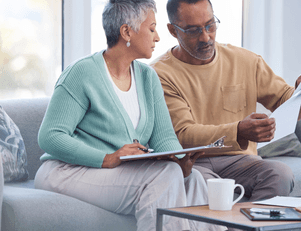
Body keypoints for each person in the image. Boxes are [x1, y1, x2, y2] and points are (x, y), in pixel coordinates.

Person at [34, 1, 225, 230]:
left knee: (192, 179)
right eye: (152, 29)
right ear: (127, 32)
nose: (157, 38)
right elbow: (50, 136)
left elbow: (164, 138)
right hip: (66, 171)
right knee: (164, 176)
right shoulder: (82, 73)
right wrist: (108, 157)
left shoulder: (148, 77)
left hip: (115, 173)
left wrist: (179, 161)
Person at [150, 0, 301, 202]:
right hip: (194, 162)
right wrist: (238, 131)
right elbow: (184, 135)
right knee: (199, 185)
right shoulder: (159, 74)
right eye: (193, 30)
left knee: (280, 174)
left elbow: (289, 106)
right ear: (173, 31)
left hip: (242, 161)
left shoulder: (246, 61)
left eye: (210, 25)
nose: (206, 37)